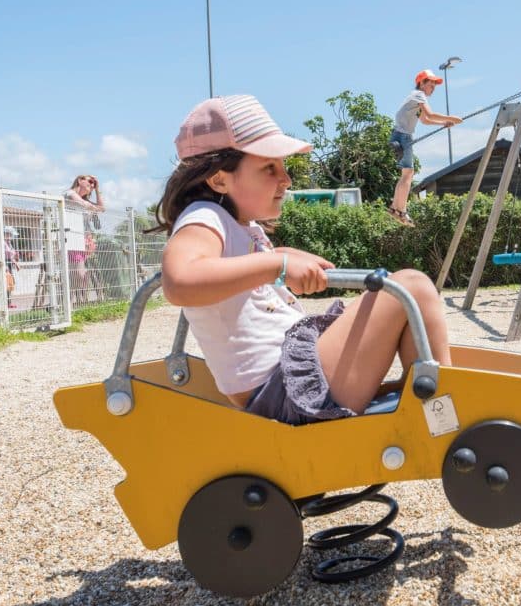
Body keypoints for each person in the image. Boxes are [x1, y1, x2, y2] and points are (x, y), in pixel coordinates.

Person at [152, 94, 452, 424]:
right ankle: (444, 416)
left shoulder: (241, 227)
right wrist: (275, 266)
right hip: (284, 392)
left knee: (408, 298)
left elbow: (237, 266)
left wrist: (279, 255)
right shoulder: (204, 218)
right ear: (220, 178)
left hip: (288, 384)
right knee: (412, 287)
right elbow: (180, 282)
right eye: (269, 167)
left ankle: (434, 408)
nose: (286, 179)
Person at [388, 69, 463, 227]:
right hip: (403, 136)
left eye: (434, 87)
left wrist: (443, 124)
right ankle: (401, 210)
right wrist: (452, 118)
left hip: (399, 135)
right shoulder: (418, 94)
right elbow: (431, 113)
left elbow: (425, 120)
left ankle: (396, 208)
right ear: (421, 83)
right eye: (431, 85)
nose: (432, 89)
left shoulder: (415, 100)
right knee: (408, 174)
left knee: (406, 174)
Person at [64, 174, 105, 303]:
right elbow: (81, 203)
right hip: (71, 239)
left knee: (76, 275)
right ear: (80, 181)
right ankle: (68, 302)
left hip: (83, 241)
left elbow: (102, 208)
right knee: (79, 275)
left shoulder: (86, 199)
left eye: (94, 184)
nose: (92, 185)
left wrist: (97, 190)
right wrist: (92, 207)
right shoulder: (69, 193)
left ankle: (70, 304)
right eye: (90, 181)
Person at [3, 226, 20, 309]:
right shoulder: (3, 243)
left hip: (9, 264)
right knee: (6, 283)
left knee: (10, 283)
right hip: (5, 264)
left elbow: (11, 256)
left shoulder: (9, 243)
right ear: (6, 234)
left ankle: (8, 302)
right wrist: (5, 266)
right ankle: (5, 303)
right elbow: (3, 256)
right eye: (10, 234)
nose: (11, 237)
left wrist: (16, 263)